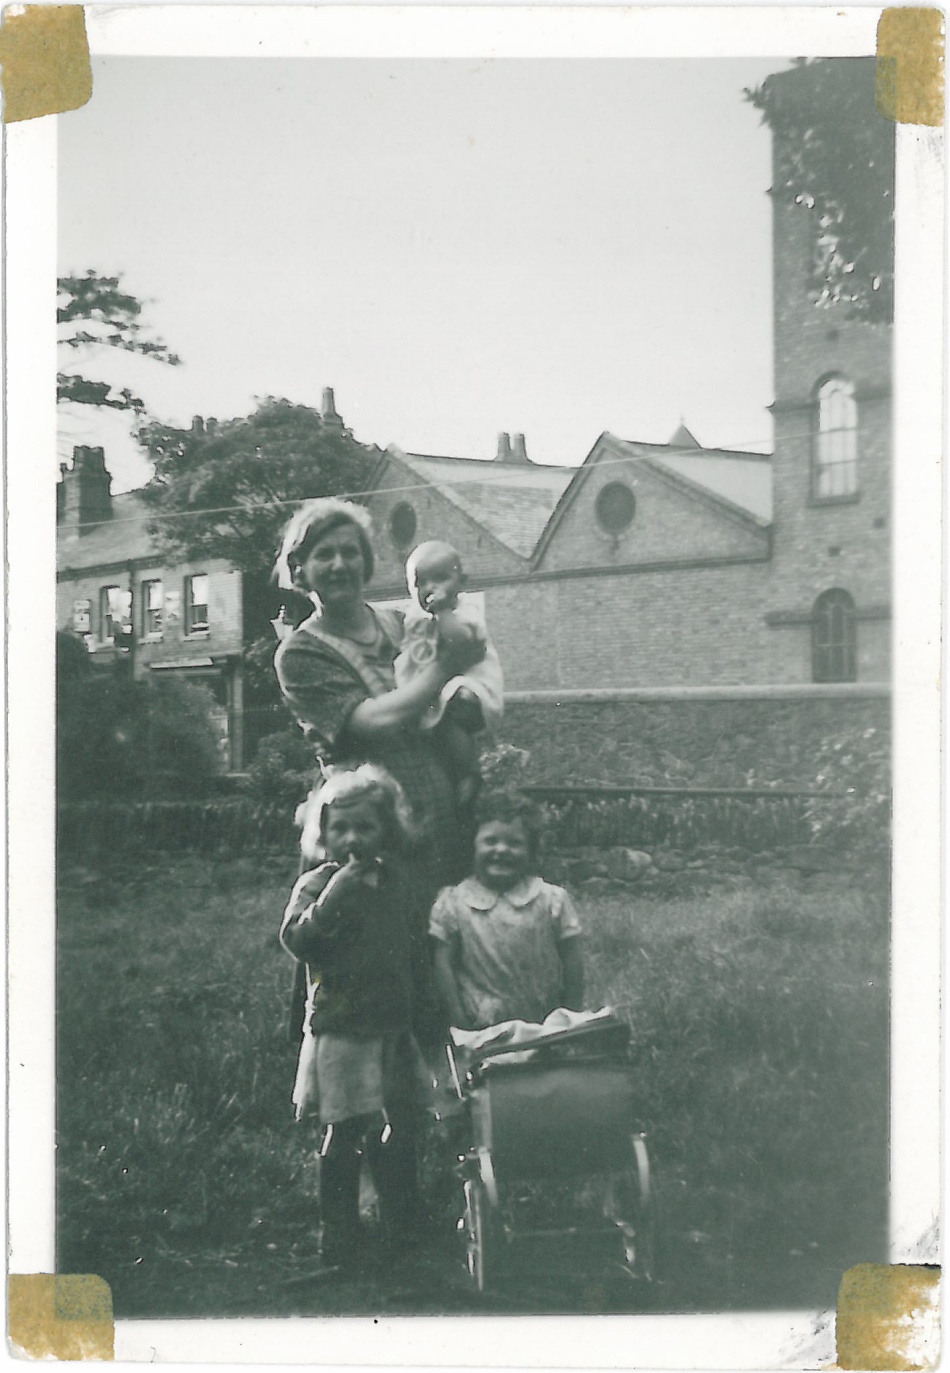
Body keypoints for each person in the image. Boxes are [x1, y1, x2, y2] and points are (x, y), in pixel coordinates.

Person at [273, 498, 487, 897]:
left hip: (441, 811)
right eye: (324, 555)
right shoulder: (301, 653)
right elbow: (372, 722)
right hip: (367, 827)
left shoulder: (403, 623)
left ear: (366, 562)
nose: (340, 564)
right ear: (300, 570)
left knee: (445, 938)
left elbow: (462, 688)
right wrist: (444, 667)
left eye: (350, 552)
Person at [280, 765, 429, 1271]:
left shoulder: (395, 883)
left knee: (400, 1119)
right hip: (342, 1026)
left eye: (364, 828)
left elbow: (411, 945)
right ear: (323, 834)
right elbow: (297, 941)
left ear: (387, 831)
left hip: (391, 1023)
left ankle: (401, 1221)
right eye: (340, 828)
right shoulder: (316, 884)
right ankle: (338, 1232)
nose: (352, 839)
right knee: (344, 1127)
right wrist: (333, 897)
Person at [429, 790, 585, 1031]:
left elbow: (572, 959)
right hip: (481, 1023)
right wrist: (457, 1017)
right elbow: (442, 963)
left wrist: (571, 1014)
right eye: (490, 841)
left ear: (531, 850)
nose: (501, 850)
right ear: (472, 845)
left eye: (514, 843)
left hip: (544, 1022)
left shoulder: (550, 900)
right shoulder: (454, 903)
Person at [394, 539, 504, 806]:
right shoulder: (413, 618)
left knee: (454, 714)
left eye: (441, 578)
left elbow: (461, 644)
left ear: (461, 582)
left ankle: (469, 772)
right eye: (420, 582)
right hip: (435, 689)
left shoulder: (463, 611)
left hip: (470, 686)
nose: (431, 588)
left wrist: (443, 611)